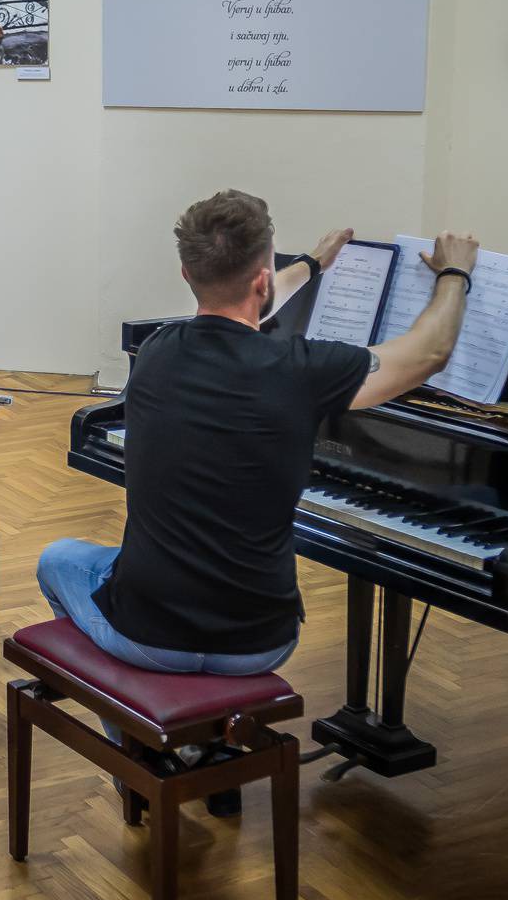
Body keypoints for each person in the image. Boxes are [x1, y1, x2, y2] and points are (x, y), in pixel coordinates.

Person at [34, 190, 477, 702]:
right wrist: (454, 274)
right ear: (263, 278)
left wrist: (312, 264)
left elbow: (233, 304)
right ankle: (165, 728)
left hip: (147, 635)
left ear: (185, 275)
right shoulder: (304, 370)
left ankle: (134, 747)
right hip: (260, 642)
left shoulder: (157, 352)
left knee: (57, 558)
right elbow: (431, 351)